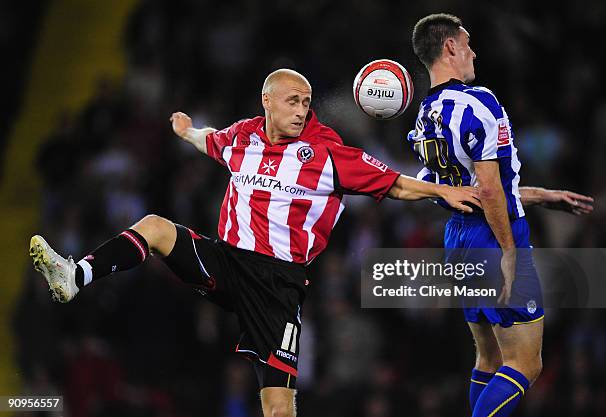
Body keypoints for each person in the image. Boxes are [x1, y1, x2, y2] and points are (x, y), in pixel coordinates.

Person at [30, 69, 481, 417]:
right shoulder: (244, 135)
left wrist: (443, 190)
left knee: (278, 407)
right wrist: (187, 130)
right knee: (155, 227)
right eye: (292, 101)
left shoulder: (325, 152)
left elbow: (393, 183)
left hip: (276, 284)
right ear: (267, 102)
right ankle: (76, 276)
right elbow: (215, 143)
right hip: (227, 262)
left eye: (306, 102)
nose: (302, 110)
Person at [408, 14, 594, 417]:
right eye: (467, 42)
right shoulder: (479, 101)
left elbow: (471, 191)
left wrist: (540, 195)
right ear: (450, 47)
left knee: (489, 361)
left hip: (459, 239)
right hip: (494, 238)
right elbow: (490, 190)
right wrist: (509, 250)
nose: (473, 51)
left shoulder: (425, 115)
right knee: (526, 363)